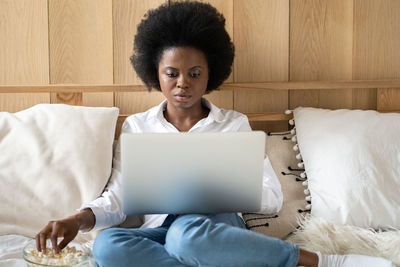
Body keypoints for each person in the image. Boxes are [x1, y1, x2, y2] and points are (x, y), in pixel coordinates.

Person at [36, 2, 395, 267]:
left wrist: (213, 189)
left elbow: (270, 198)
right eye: (172, 73)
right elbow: (118, 199)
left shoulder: (233, 123)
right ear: (155, 73)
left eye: (194, 73)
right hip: (160, 232)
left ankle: (318, 260)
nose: (182, 83)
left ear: (210, 74)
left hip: (213, 229)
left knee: (187, 234)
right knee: (107, 247)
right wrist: (77, 219)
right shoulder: (137, 127)